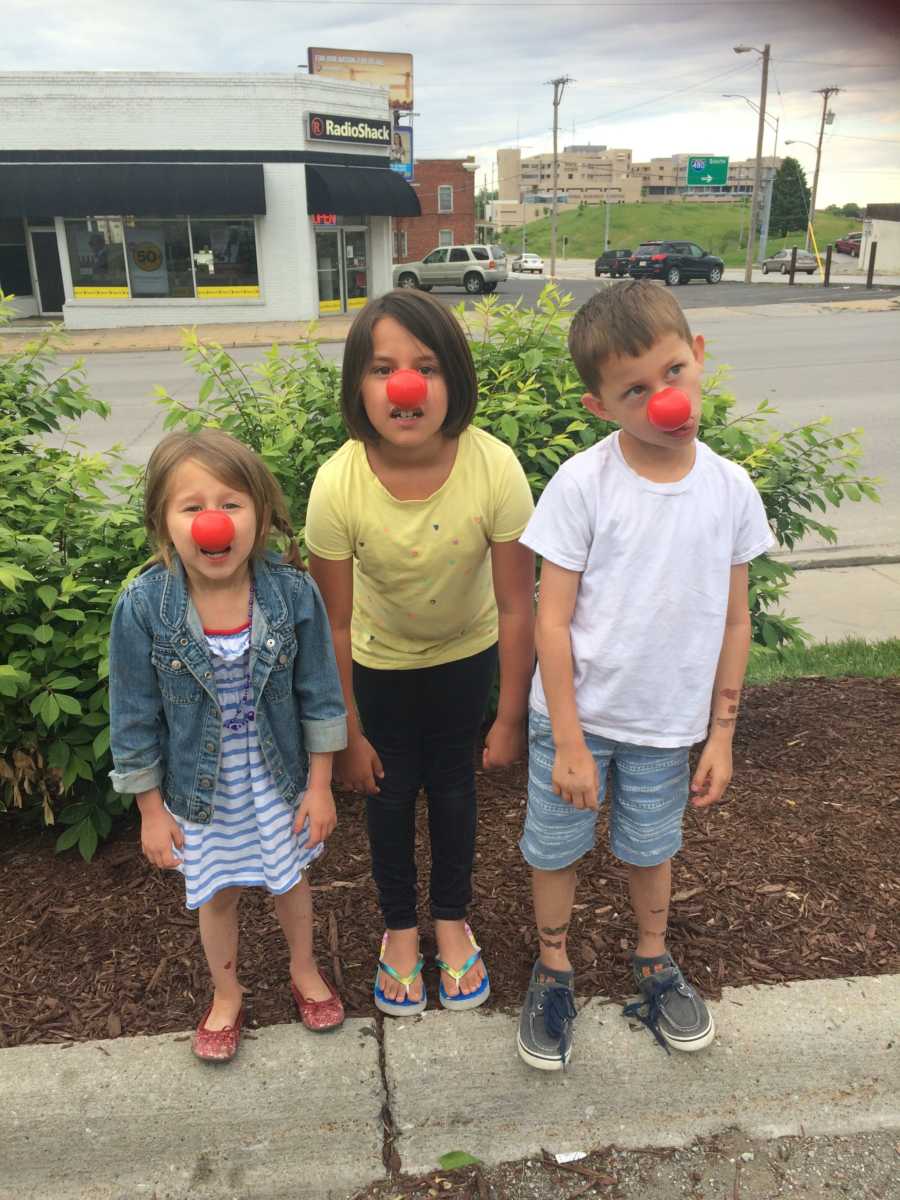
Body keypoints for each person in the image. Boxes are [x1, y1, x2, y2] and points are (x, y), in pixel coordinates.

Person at [516, 281, 774, 1070]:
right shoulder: (583, 485)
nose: (663, 401)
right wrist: (567, 740)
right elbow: (548, 619)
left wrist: (721, 735)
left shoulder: (729, 489)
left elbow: (736, 620)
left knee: (649, 845)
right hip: (579, 719)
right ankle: (552, 968)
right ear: (602, 407)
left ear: (698, 357)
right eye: (635, 391)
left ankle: (654, 959)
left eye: (671, 374)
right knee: (556, 847)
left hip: (667, 722)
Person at [305, 289, 535, 1016]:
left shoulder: (494, 467)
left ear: (455, 380)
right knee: (389, 796)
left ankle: (451, 920)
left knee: (457, 792)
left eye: (427, 366)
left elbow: (516, 604)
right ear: (359, 388)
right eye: (383, 368)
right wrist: (345, 734)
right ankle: (400, 930)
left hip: (465, 660)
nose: (406, 385)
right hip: (378, 667)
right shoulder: (337, 483)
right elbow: (332, 626)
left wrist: (508, 719)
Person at [108, 429, 347, 1062]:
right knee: (215, 891)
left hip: (278, 782)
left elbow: (320, 696)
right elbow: (132, 718)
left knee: (290, 880)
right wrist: (151, 811)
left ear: (261, 517)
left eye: (232, 503)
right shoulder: (143, 606)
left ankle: (303, 969)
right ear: (164, 523)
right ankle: (227, 992)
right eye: (191, 507)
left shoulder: (292, 594)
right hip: (201, 792)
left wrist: (320, 787)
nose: (213, 521)